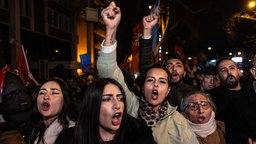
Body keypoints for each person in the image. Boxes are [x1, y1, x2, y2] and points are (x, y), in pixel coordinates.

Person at [97, 2, 199, 143]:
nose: (155, 85)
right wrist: (111, 29)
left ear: (168, 90)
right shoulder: (129, 106)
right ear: (143, 85)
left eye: (162, 81)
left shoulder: (179, 122)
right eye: (150, 80)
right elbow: (108, 72)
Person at [55, 78, 156, 144]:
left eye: (120, 98)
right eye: (107, 99)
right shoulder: (69, 139)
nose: (117, 105)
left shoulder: (140, 135)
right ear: (93, 105)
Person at [139, 12, 197, 111]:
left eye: (178, 65)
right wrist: (148, 30)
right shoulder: (155, 90)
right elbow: (146, 64)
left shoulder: (194, 93)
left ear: (184, 73)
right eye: (169, 65)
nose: (174, 69)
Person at [208, 57, 256, 144]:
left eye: (232, 68)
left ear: (239, 72)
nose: (229, 72)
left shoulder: (252, 93)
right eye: (223, 70)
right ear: (218, 77)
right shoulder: (212, 98)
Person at [29, 77, 76, 144]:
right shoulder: (34, 128)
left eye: (54, 93)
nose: (46, 96)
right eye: (42, 92)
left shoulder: (72, 134)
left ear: (64, 100)